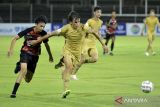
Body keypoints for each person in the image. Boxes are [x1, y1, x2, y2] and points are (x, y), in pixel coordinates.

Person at [28, 11, 108, 98]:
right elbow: (51, 34)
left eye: (78, 21)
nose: (77, 23)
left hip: (77, 54)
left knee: (67, 70)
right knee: (69, 67)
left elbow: (94, 33)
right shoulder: (66, 28)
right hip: (67, 51)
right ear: (70, 22)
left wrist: (103, 44)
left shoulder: (83, 27)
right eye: (75, 22)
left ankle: (62, 64)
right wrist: (37, 41)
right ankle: (65, 90)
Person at [8, 15, 53, 98]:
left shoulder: (44, 33)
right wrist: (11, 50)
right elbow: (14, 38)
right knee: (23, 70)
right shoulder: (28, 30)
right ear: (36, 24)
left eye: (44, 26)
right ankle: (13, 92)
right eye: (41, 26)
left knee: (28, 79)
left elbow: (47, 45)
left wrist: (50, 56)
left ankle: (19, 65)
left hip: (35, 56)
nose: (42, 28)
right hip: (25, 52)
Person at [55, 6, 106, 80]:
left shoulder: (101, 22)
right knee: (79, 58)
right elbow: (84, 29)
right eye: (98, 12)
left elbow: (97, 32)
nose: (99, 13)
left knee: (95, 59)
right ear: (94, 13)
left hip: (93, 44)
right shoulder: (89, 21)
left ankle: (78, 62)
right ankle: (73, 74)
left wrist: (103, 43)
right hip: (85, 42)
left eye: (100, 12)